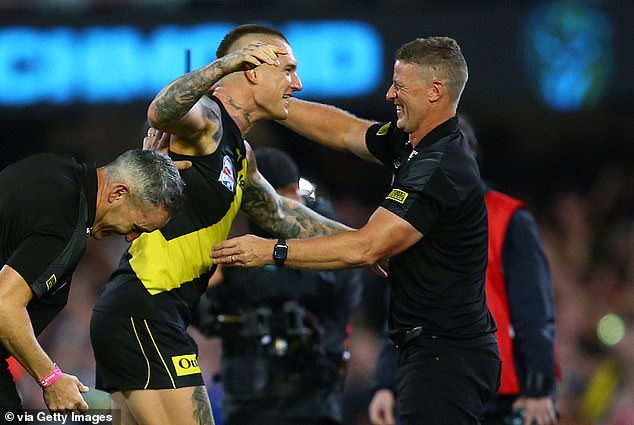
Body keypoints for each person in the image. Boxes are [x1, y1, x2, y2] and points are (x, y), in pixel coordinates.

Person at [211, 36, 501, 425]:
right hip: (433, 350)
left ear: (435, 92)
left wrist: (272, 251)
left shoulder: (439, 166)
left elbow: (366, 249)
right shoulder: (413, 143)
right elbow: (347, 132)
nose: (388, 94)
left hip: (447, 356)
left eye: (400, 86)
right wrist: (273, 105)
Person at [90, 24, 352, 425]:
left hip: (144, 314)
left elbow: (283, 216)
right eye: (287, 69)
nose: (296, 83)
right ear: (251, 69)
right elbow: (162, 111)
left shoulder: (240, 153)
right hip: (145, 311)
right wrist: (222, 66)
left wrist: (367, 244)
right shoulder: (209, 120)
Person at [367, 118, 559, 425]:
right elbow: (403, 308)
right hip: (431, 379)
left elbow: (533, 308)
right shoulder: (410, 222)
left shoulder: (510, 219)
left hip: (504, 391)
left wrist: (539, 385)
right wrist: (386, 383)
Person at [0, 149, 185, 413]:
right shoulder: (64, 223)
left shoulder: (50, 169)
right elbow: (4, 305)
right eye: (137, 226)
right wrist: (50, 377)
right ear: (118, 193)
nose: (130, 237)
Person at [193, 147, 363, 425]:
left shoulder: (329, 233)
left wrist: (229, 270)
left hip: (310, 405)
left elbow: (309, 285)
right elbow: (210, 319)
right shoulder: (244, 238)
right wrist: (199, 285)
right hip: (246, 402)